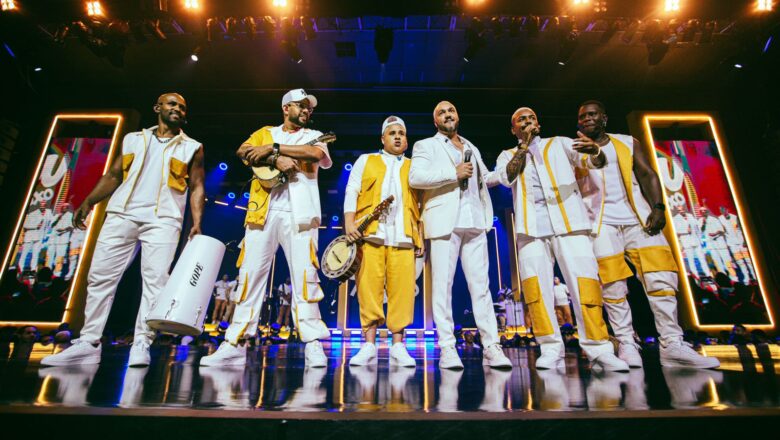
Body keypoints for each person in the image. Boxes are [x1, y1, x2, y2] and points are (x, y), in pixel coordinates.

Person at [41, 93, 205, 368]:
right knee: (100, 277)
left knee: (155, 282)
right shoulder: (133, 139)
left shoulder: (192, 146)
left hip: (163, 218)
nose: (177, 109)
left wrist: (197, 222)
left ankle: (142, 342)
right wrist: (90, 201)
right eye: (172, 104)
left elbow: (198, 186)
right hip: (121, 214)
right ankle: (88, 342)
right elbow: (114, 175)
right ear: (158, 108)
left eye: (182, 107)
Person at [576, 100, 719, 369]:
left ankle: (672, 343)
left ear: (604, 118)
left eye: (592, 114)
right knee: (613, 286)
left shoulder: (627, 142)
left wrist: (659, 206)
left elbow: (647, 173)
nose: (587, 119)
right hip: (600, 224)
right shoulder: (575, 150)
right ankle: (627, 343)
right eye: (582, 116)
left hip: (639, 218)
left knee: (661, 279)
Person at [201, 89, 332, 368]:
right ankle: (235, 341)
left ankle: (312, 342)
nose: (307, 111)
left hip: (301, 214)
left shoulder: (314, 134)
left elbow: (315, 153)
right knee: (249, 274)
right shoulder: (264, 131)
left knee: (305, 276)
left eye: (310, 108)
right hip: (262, 212)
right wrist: (273, 160)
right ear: (286, 108)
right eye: (302, 106)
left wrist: (275, 150)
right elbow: (242, 151)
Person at [494, 106, 627, 371]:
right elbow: (507, 178)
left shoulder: (560, 144)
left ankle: (599, 348)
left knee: (584, 284)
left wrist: (597, 153)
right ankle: (550, 347)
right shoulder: (508, 155)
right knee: (536, 291)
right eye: (522, 119)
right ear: (514, 130)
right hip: (531, 230)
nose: (528, 121)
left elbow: (592, 162)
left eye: (532, 117)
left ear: (539, 123)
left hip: (570, 224)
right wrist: (524, 147)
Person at [409, 101, 511, 370]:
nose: (447, 115)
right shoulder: (425, 145)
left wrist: (506, 172)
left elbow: (485, 178)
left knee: (482, 288)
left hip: (475, 220)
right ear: (435, 122)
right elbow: (416, 177)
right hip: (445, 221)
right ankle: (446, 348)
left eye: (451, 111)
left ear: (458, 116)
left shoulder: (470, 146)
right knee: (442, 287)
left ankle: (491, 345)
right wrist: (452, 174)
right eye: (441, 112)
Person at [343, 116, 423, 368]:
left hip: (404, 235)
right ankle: (369, 344)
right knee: (368, 288)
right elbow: (352, 190)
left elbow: (423, 201)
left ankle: (398, 345)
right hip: (371, 234)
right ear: (382, 138)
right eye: (392, 133)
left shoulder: (415, 165)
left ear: (407, 140)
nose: (397, 136)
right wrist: (349, 221)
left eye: (401, 133)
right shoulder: (366, 160)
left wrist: (421, 233)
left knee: (402, 292)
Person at [672, 205, 712, 280]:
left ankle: (708, 274)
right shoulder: (675, 219)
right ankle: (696, 276)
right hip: (687, 242)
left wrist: (702, 226)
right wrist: (686, 231)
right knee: (691, 260)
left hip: (696, 240)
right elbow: (676, 232)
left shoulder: (690, 216)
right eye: (680, 210)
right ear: (678, 211)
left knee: (702, 258)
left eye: (682, 209)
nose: (682, 211)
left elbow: (697, 227)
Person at [718, 206, 755, 284]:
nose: (723, 212)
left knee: (748, 260)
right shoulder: (720, 219)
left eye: (724, 210)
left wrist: (745, 240)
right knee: (739, 262)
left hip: (741, 242)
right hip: (732, 244)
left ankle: (754, 275)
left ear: (727, 209)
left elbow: (742, 229)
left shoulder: (735, 217)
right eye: (721, 211)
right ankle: (746, 277)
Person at [699, 207, 738, 283]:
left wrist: (715, 233)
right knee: (718, 263)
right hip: (711, 246)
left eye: (705, 211)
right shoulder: (700, 221)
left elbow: (722, 230)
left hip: (720, 244)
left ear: (707, 211)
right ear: (700, 213)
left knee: (727, 262)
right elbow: (701, 231)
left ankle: (734, 278)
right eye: (702, 211)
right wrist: (703, 223)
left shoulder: (714, 219)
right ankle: (723, 280)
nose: (703, 212)